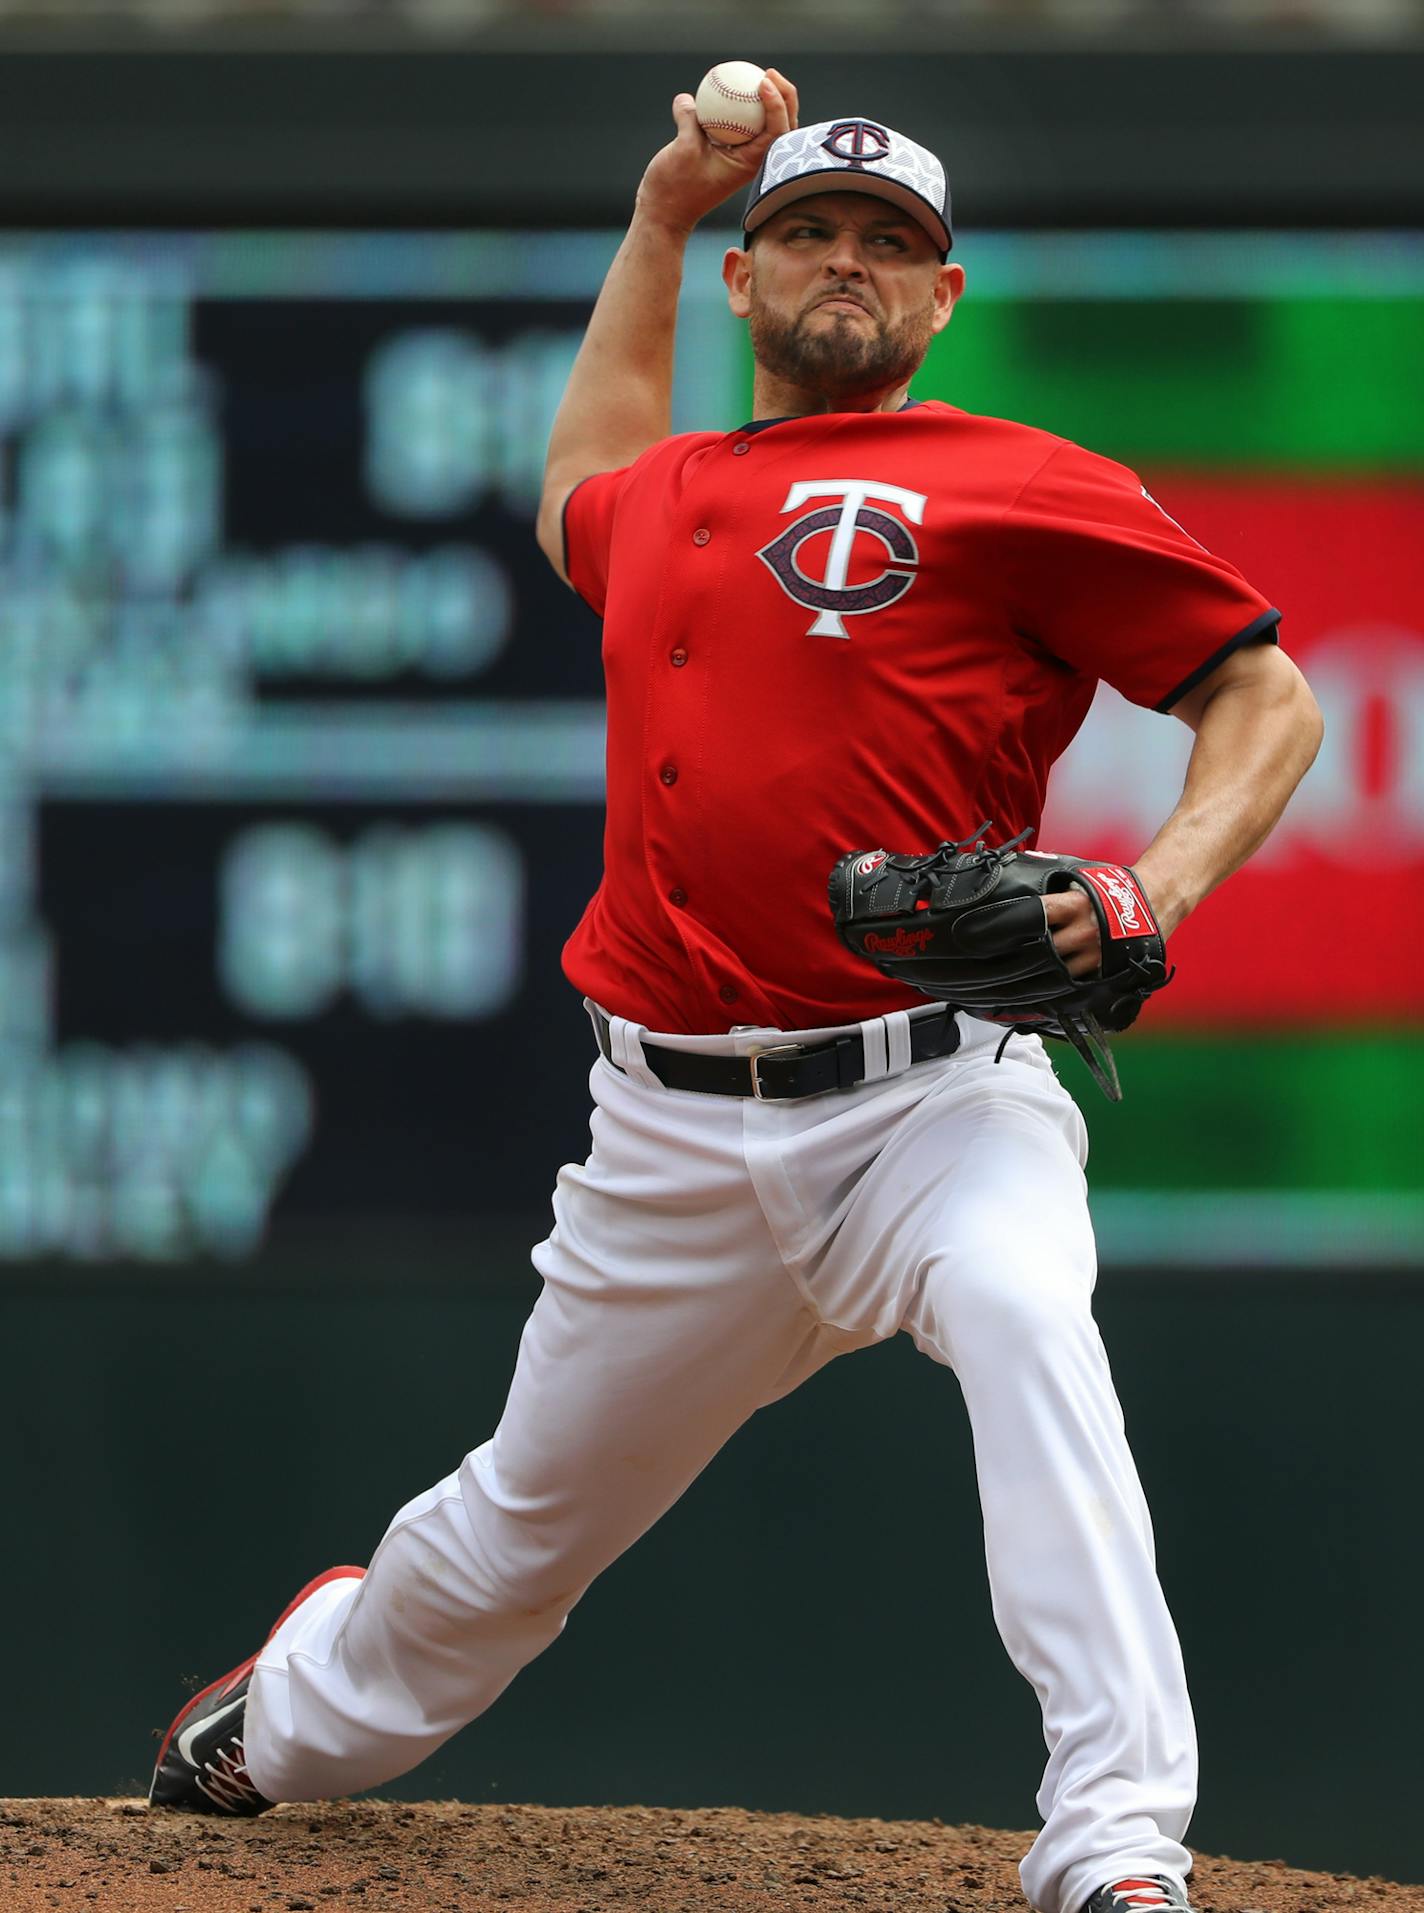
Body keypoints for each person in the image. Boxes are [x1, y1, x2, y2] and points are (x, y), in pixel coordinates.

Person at [149, 74, 1323, 1913]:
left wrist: (1145, 886)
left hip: (939, 1099)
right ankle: (295, 1702)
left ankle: (1114, 1845)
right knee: (508, 1552)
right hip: (670, 1137)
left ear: (940, 302)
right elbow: (571, 483)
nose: (846, 262)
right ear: (747, 281)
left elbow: (1267, 699)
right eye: (808, 234)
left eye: (888, 245)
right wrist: (656, 211)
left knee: (1031, 1323)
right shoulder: (671, 497)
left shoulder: (1022, 481)